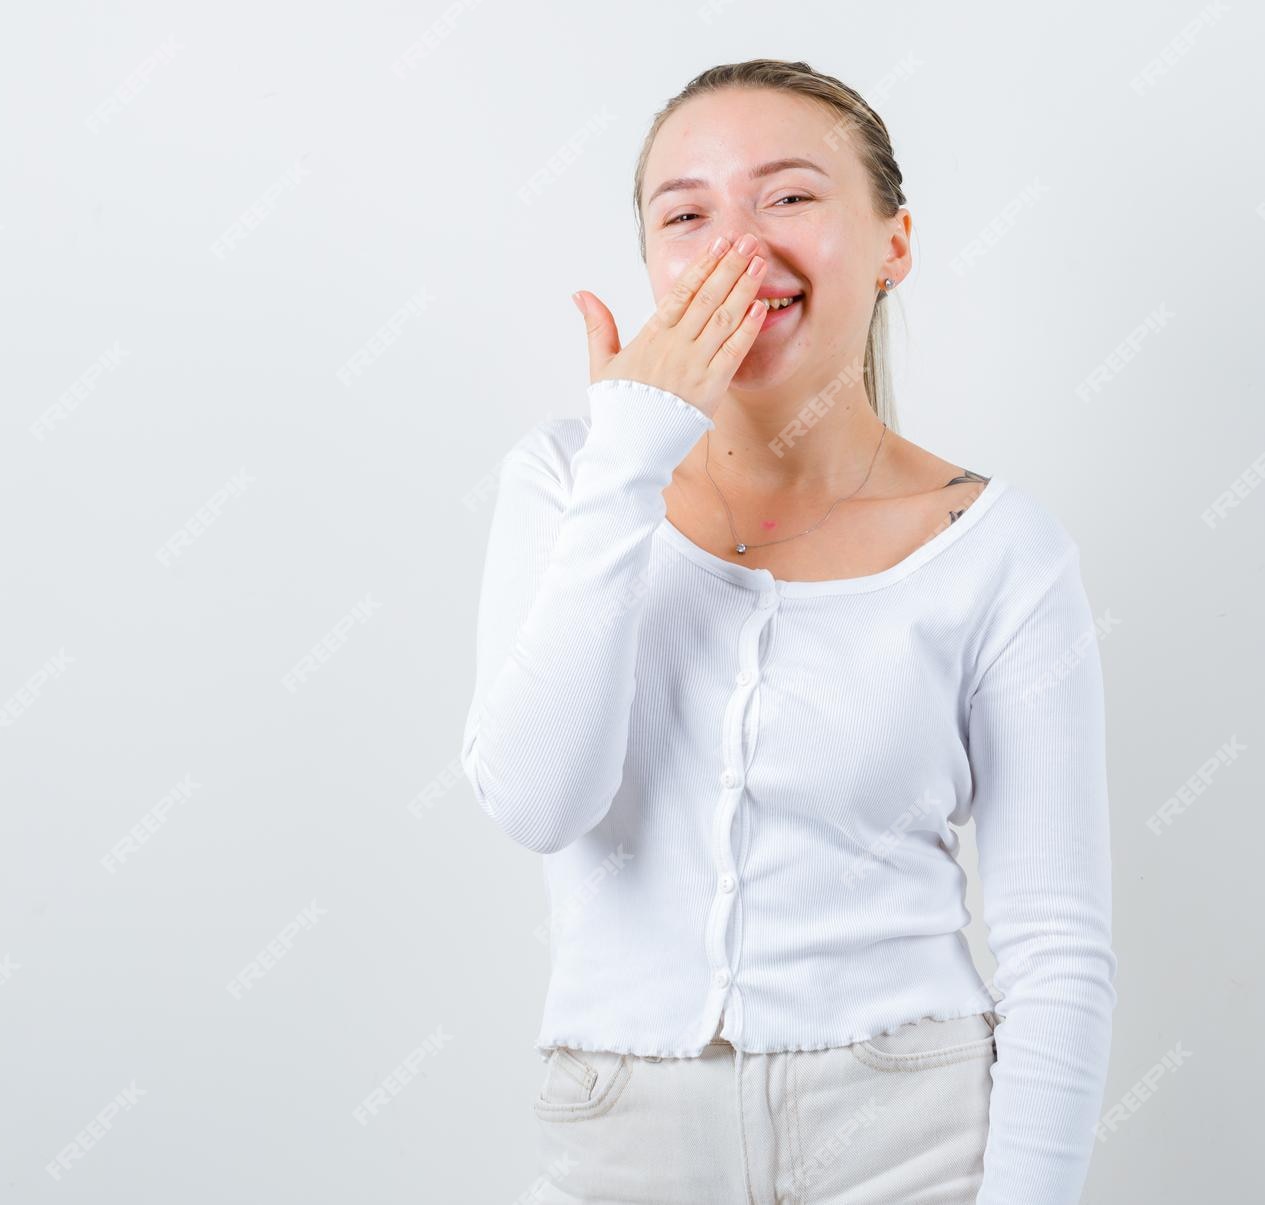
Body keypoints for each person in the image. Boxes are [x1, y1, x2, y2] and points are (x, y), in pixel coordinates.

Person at [461, 59, 1115, 1203]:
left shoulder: (999, 551)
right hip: (618, 1128)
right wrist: (629, 459)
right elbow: (535, 799)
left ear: (892, 245)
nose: (736, 248)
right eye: (685, 214)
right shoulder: (569, 484)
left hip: (909, 1130)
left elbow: (1057, 955)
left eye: (790, 197)